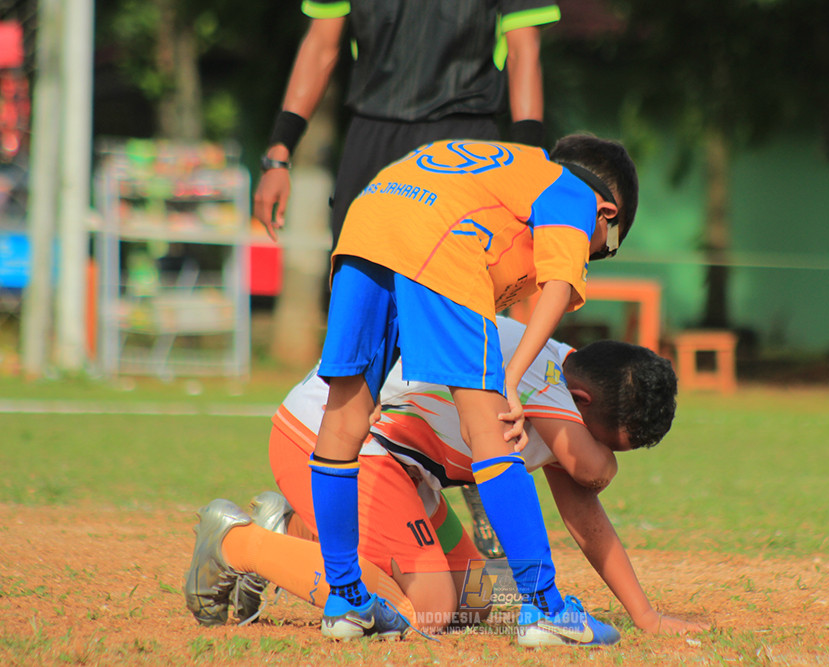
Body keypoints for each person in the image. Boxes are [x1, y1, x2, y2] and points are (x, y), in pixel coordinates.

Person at [256, 132, 640, 643]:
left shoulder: (504, 173)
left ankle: (346, 599)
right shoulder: (570, 189)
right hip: (438, 241)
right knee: (492, 431)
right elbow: (558, 287)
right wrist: (510, 376)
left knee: (345, 416)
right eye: (604, 247)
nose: (593, 256)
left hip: (369, 218)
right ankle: (545, 608)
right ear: (605, 212)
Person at [184, 317, 709, 641]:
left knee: (485, 595)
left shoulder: (564, 391)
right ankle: (236, 542)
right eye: (606, 440)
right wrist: (606, 461)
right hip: (328, 442)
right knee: (429, 608)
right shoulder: (545, 381)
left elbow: (586, 518)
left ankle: (291, 529)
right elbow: (592, 472)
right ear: (585, 404)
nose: (601, 457)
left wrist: (644, 614)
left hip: (394, 464)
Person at [253, 0, 560, 247]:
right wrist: (278, 154)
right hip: (372, 142)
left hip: (463, 145)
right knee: (358, 300)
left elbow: (524, 52)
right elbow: (320, 46)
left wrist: (527, 164)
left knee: (452, 304)